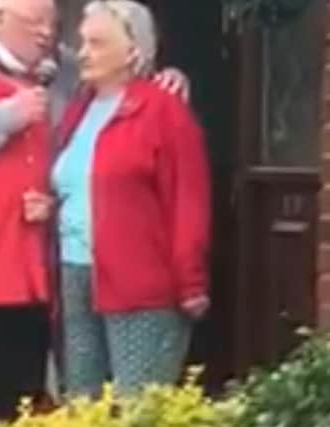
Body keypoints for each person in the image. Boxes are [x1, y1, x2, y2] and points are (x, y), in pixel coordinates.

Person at [0, 0, 189, 425]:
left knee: (16, 414)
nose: (46, 34)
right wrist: (4, 119)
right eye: (33, 24)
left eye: (51, 23)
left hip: (21, 285)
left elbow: (116, 87)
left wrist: (167, 79)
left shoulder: (66, 73)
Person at [50, 0, 211, 397]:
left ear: (133, 51)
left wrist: (191, 282)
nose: (84, 53)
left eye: (98, 43)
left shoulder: (163, 110)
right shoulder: (78, 108)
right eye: (83, 42)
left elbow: (188, 202)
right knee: (82, 403)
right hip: (75, 272)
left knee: (138, 403)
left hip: (139, 282)